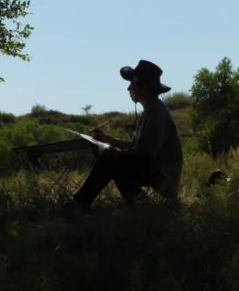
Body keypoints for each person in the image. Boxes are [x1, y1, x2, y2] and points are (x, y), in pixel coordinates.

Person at [70, 60, 183, 212]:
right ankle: (143, 207)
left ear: (144, 88)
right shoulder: (151, 110)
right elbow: (137, 146)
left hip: (162, 175)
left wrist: (117, 153)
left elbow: (145, 152)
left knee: (112, 159)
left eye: (133, 84)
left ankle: (79, 204)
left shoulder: (156, 113)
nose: (129, 88)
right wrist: (108, 139)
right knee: (115, 161)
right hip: (155, 169)